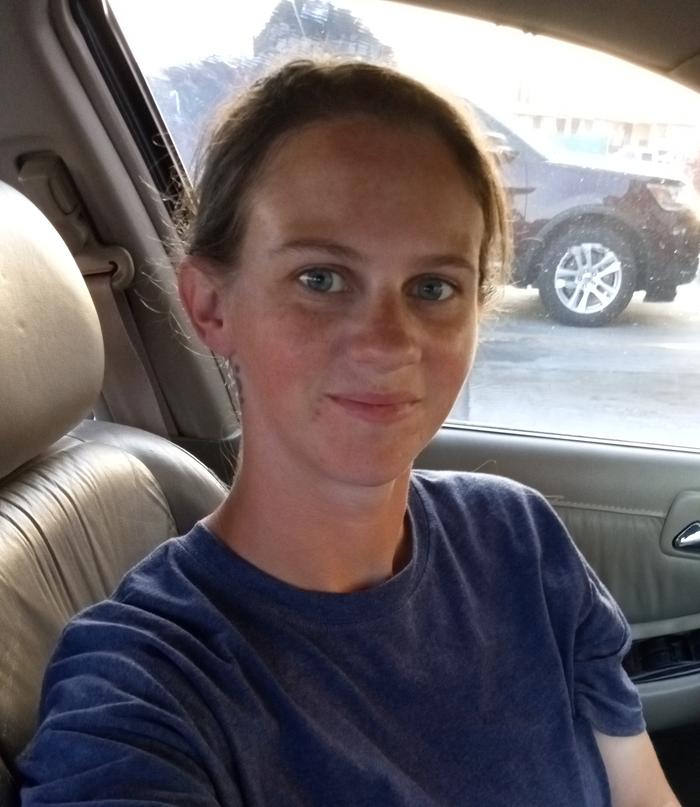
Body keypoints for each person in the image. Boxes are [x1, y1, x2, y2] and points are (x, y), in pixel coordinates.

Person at [19, 60, 678, 806]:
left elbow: (641, 794)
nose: (387, 343)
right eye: (321, 279)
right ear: (211, 307)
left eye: (433, 288)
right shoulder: (145, 684)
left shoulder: (519, 542)